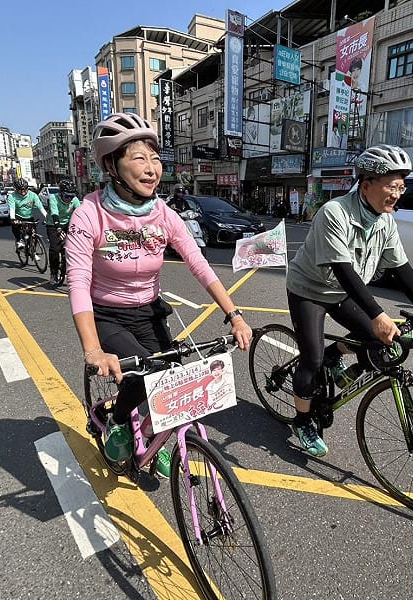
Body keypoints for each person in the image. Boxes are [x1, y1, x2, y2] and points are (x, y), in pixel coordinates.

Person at [66, 112, 252, 463]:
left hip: (150, 311)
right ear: (111, 165)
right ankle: (119, 422)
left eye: (155, 158)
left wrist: (235, 314)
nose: (151, 168)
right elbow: (77, 281)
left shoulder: (164, 213)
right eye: (139, 158)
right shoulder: (88, 213)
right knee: (141, 377)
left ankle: (151, 435)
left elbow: (199, 264)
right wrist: (92, 350)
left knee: (173, 379)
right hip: (108, 314)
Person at [285, 144, 413, 457]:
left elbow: (402, 269)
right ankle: (301, 420)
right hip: (309, 290)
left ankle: (335, 353)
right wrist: (377, 313)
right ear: (366, 185)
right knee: (312, 361)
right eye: (392, 186)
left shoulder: (385, 221)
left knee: (376, 342)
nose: (397, 193)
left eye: (401, 187)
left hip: (343, 292)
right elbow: (344, 271)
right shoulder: (335, 213)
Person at [45, 178, 81, 285]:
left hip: (68, 224)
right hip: (53, 224)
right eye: (67, 196)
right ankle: (54, 273)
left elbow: (80, 213)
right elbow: (54, 213)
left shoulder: (74, 200)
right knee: (55, 249)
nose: (70, 199)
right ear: (61, 194)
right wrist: (58, 228)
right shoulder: (53, 198)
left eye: (72, 196)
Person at [8, 178, 47, 250]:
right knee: (15, 226)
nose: (23, 191)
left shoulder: (33, 195)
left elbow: (40, 207)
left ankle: (33, 251)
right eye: (20, 189)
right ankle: (19, 240)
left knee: (33, 234)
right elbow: (12, 209)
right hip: (18, 216)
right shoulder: (12, 196)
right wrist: (13, 219)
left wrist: (47, 217)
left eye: (25, 189)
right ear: (16, 189)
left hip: (29, 216)